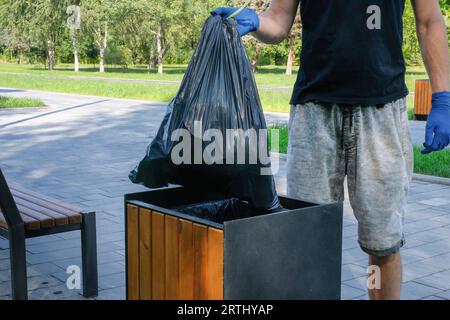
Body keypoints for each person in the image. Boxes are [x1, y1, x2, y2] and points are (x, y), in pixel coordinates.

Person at [212, 0, 450, 300]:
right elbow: (278, 20)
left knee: (382, 243)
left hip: (381, 111)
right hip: (315, 112)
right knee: (308, 238)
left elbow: (429, 20)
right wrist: (256, 22)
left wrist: (443, 97)